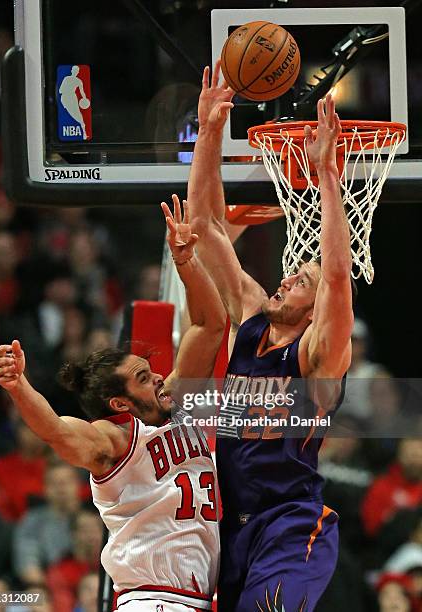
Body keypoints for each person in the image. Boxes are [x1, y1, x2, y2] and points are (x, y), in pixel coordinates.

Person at [0, 195, 225, 612]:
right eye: (141, 377)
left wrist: (187, 261)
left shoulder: (177, 397)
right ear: (121, 401)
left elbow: (211, 324)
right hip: (152, 599)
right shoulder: (113, 441)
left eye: (148, 368)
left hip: (196, 598)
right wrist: (18, 386)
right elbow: (56, 431)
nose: (156, 375)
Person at [187, 61, 354, 611]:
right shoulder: (253, 317)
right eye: (290, 270)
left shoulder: (317, 356)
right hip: (230, 526)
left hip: (290, 524)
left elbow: (334, 273)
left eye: (298, 280)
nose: (287, 275)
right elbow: (206, 228)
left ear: (315, 311)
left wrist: (327, 175)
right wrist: (209, 132)